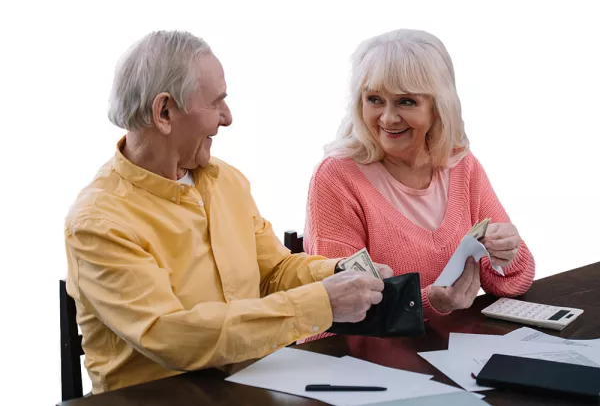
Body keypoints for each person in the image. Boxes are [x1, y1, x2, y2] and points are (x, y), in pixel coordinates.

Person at [64, 30, 393, 394]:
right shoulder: (99, 223)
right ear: (164, 112)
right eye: (216, 102)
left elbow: (274, 272)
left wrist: (338, 272)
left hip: (257, 389)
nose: (228, 117)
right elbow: (170, 335)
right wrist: (321, 302)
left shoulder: (227, 182)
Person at [303, 29, 535, 327]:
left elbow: (511, 285)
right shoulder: (337, 177)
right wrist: (430, 304)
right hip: (357, 359)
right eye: (374, 99)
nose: (387, 118)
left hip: (451, 351)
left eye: (406, 102)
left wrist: (506, 255)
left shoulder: (461, 164)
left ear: (438, 107)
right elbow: (343, 311)